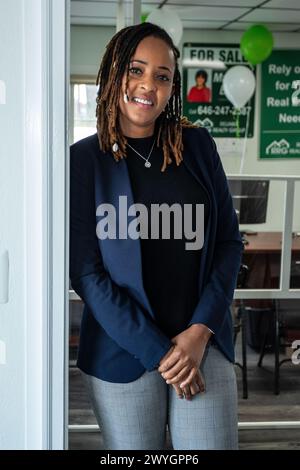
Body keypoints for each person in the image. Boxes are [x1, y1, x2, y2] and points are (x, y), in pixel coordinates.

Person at [70, 22, 243, 450]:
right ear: (114, 72)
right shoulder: (83, 161)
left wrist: (199, 331)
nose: (148, 85)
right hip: (120, 349)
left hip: (203, 343)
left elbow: (227, 243)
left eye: (162, 76)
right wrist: (163, 354)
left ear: (171, 88)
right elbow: (86, 274)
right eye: (136, 69)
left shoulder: (197, 147)